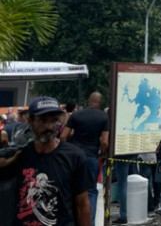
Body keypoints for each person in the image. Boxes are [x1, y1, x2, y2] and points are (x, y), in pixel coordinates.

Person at [0, 96, 94, 225]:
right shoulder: (20, 155)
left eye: (54, 120)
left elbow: (82, 204)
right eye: (42, 120)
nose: (49, 126)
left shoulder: (74, 157)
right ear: (30, 121)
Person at [61, 91, 109, 224]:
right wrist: (101, 153)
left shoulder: (76, 115)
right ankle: (90, 222)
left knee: (72, 189)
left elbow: (64, 136)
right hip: (91, 157)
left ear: (89, 101)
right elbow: (105, 141)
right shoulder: (103, 117)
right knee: (91, 191)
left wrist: (66, 151)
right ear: (100, 103)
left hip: (73, 157)